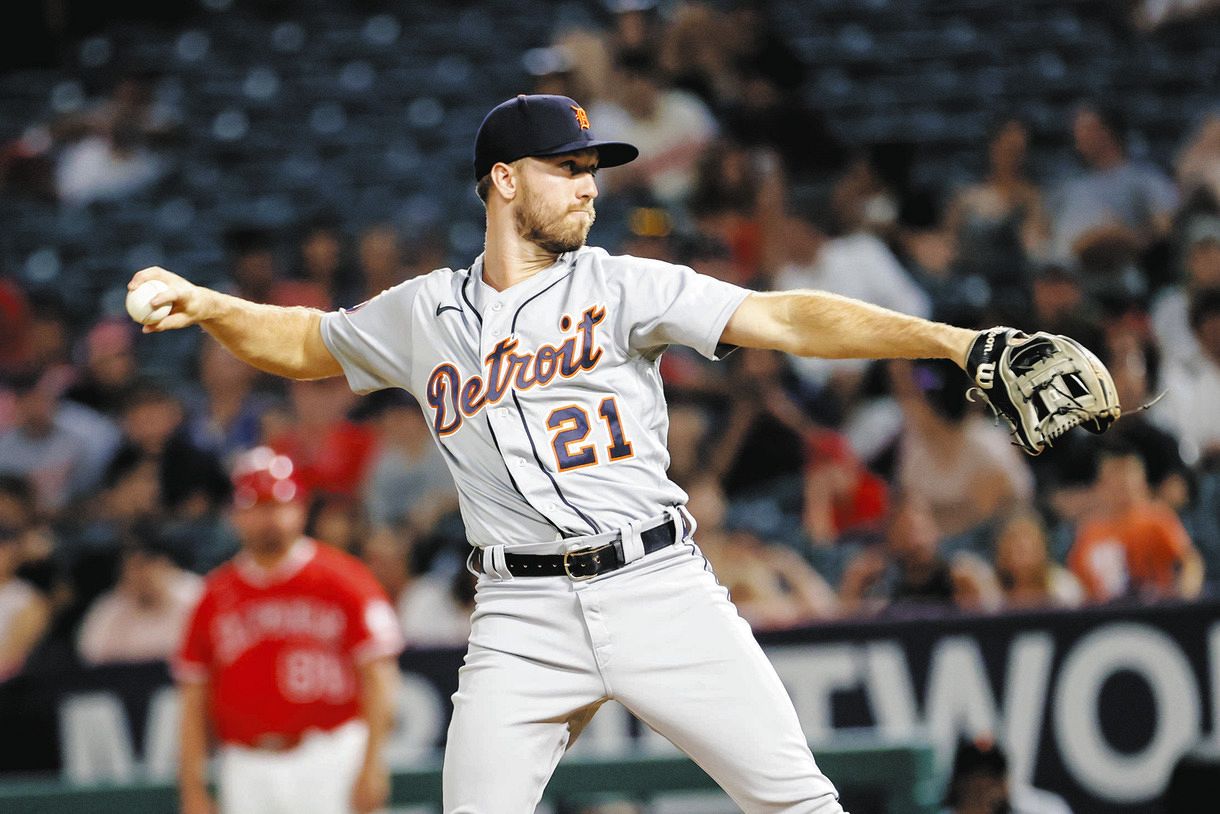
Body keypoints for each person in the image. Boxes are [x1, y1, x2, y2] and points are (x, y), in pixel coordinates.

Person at [132, 93, 1061, 812]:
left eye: (593, 167)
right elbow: (303, 342)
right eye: (566, 165)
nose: (589, 183)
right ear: (503, 180)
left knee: (801, 802)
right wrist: (212, 306)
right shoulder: (422, 314)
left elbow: (781, 316)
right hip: (519, 611)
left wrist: (948, 340)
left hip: (656, 586)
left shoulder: (623, 284)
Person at [174, 447, 404, 814]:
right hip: (246, 764)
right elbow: (192, 699)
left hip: (330, 755)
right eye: (257, 507)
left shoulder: (345, 579)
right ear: (236, 515)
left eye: (278, 505)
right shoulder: (214, 596)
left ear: (300, 508)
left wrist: (374, 764)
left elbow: (381, 678)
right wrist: (192, 787)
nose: (270, 518)